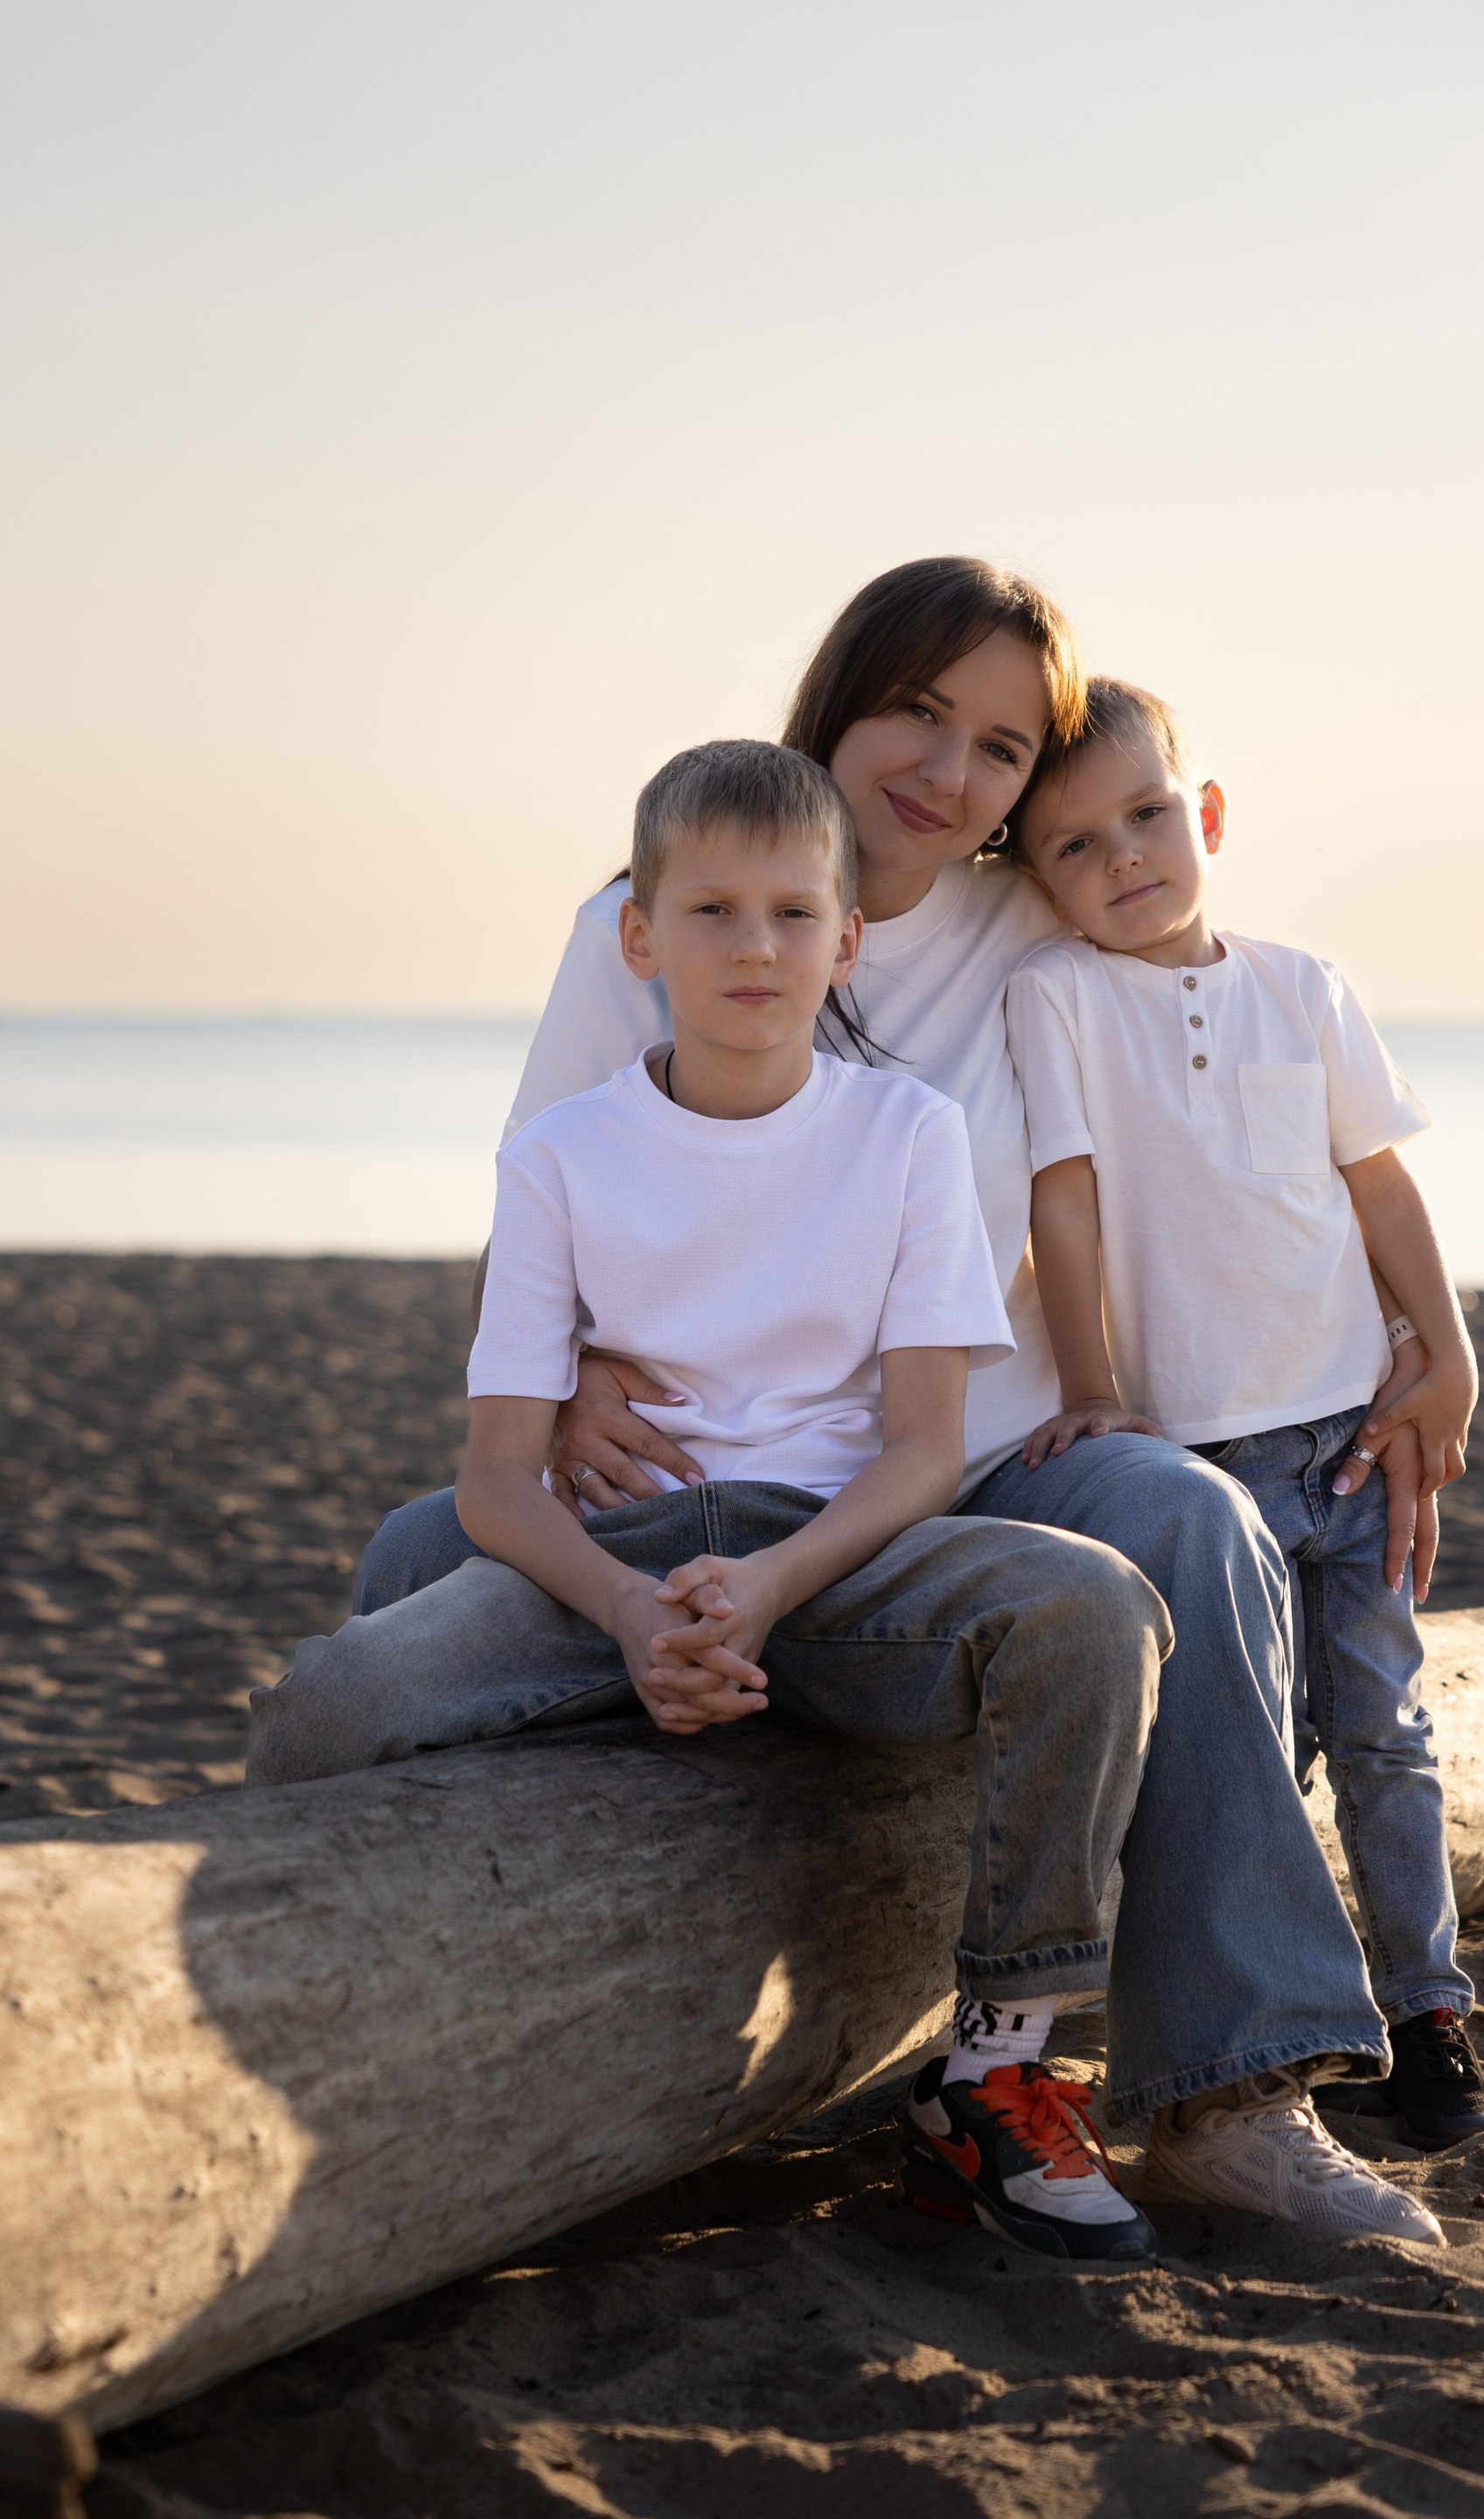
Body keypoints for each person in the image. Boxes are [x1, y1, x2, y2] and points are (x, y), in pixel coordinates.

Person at [352, 559, 1443, 2239]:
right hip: (697, 1480)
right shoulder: (654, 915)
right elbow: (547, 1192)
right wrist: (568, 1375)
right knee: (412, 1565)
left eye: (1002, 748)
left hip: (979, 1465)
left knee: (1195, 1521)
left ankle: (1231, 2094)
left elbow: (1231, 1095)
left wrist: (1413, 1335)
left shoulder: (1042, 922)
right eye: (921, 714)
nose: (951, 773)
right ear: (842, 698)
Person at [251, 737, 1172, 2263]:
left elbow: (923, 1449)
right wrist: (631, 1613)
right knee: (324, 1706)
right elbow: (499, 1476)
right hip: (614, 1559)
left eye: (793, 914)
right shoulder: (560, 1157)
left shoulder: (909, 1137)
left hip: (837, 1560)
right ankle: (360, 2038)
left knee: (1094, 1608)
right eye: (713, 912)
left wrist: (769, 1585)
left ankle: (999, 2066)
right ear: (640, 937)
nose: (756, 948)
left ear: (846, 940)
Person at [1003, 675, 1484, 2153]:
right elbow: (1064, 1205)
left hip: (1353, 1440)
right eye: (1077, 845)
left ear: (1207, 813)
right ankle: (1291, 2024)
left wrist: (1447, 1351)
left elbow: (1378, 1186)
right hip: (1200, 1465)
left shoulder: (1304, 985)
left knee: (1389, 1736)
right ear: (1040, 881)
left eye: (1148, 816)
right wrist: (1094, 1392)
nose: (1123, 859)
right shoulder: (1058, 995)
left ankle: (1431, 2014)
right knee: (1257, 1759)